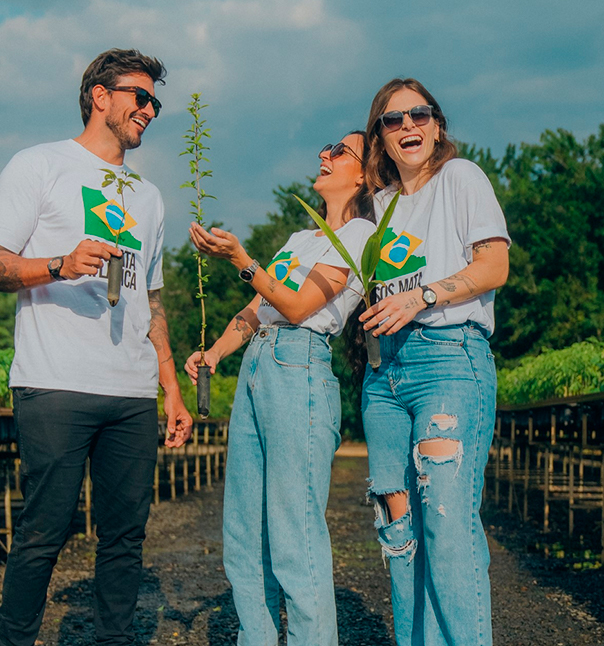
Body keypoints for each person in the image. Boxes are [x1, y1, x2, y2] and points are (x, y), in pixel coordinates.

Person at [0, 48, 193, 646]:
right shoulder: (39, 165)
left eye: (156, 102)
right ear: (101, 95)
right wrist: (59, 264)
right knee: (43, 532)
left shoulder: (146, 197)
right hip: (56, 382)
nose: (149, 109)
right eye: (140, 97)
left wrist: (171, 390)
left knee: (126, 538)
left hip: (131, 391)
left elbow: (153, 301)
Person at [185, 132, 376, 646]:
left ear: (363, 173)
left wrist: (242, 261)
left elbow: (295, 308)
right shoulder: (298, 240)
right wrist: (216, 353)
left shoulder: (360, 236)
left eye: (339, 150)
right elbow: (257, 310)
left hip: (300, 366)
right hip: (257, 363)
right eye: (326, 148)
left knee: (295, 531)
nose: (325, 154)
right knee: (244, 530)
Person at [358, 78, 510, 646]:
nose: (408, 127)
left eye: (418, 115)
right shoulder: (379, 206)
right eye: (392, 121)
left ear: (437, 124)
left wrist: (421, 296)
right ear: (381, 136)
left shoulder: (461, 178)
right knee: (398, 531)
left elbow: (493, 266)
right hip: (384, 377)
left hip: (448, 360)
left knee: (447, 526)